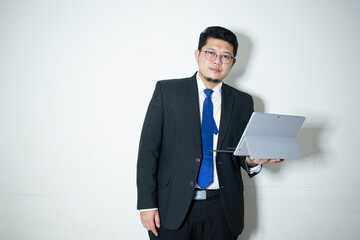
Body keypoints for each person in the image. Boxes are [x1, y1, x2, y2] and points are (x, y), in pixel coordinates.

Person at [137, 26, 283, 240]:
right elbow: (148, 151)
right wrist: (147, 204)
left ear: (233, 63)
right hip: (172, 207)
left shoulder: (243, 102)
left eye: (225, 56)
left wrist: (251, 161)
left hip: (222, 209)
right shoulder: (167, 92)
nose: (217, 61)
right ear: (198, 55)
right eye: (210, 53)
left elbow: (241, 151)